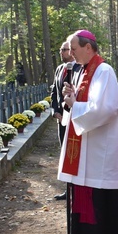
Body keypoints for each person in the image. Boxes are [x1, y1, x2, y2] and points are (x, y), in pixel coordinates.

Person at [58, 30, 118, 234]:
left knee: (97, 196)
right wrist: (73, 98)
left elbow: (108, 108)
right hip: (86, 148)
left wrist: (74, 105)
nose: (71, 54)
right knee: (84, 192)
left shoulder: (103, 71)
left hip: (99, 149)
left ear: (88, 48)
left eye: (74, 49)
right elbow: (86, 103)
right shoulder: (85, 70)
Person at [51, 40, 80, 201]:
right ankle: (68, 189)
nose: (61, 53)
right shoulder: (60, 69)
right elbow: (54, 91)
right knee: (64, 153)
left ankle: (77, 188)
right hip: (61, 119)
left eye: (64, 50)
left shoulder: (80, 69)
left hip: (75, 117)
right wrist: (55, 111)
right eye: (61, 50)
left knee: (74, 154)